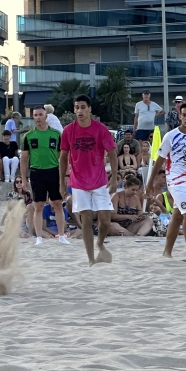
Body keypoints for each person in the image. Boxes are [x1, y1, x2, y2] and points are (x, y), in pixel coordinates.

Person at [61, 95, 118, 265]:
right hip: (78, 182)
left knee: (105, 221)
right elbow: (63, 157)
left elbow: (112, 154)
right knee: (86, 220)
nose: (79, 111)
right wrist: (61, 182)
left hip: (99, 180)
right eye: (76, 107)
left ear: (89, 109)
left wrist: (114, 178)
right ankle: (91, 259)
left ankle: (100, 243)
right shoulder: (68, 130)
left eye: (83, 107)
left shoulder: (100, 129)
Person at [146, 103, 186, 262]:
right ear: (180, 116)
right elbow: (159, 160)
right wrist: (150, 181)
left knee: (178, 216)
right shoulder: (170, 136)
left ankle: (167, 252)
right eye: (184, 115)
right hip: (175, 181)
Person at [20, 105, 68, 245]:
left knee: (58, 204)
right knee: (38, 205)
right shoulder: (28, 136)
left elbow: (63, 157)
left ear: (46, 116)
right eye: (35, 115)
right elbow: (24, 159)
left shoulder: (56, 134)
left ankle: (61, 236)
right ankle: (39, 238)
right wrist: (24, 179)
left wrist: (65, 175)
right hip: (37, 173)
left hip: (54, 171)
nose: (38, 118)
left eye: (41, 114)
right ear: (33, 117)